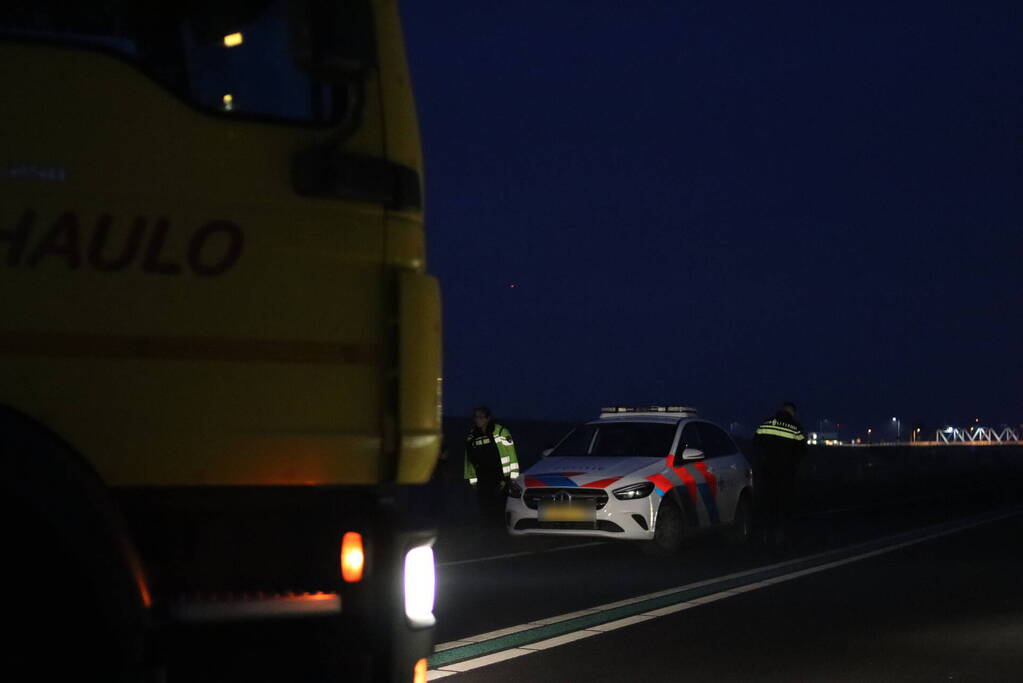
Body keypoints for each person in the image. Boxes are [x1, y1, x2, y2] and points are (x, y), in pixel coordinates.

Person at [753, 401, 807, 545]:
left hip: (766, 470)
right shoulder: (796, 429)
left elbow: (756, 443)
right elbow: (802, 450)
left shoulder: (766, 423)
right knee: (782, 503)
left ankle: (763, 532)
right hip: (785, 473)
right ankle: (779, 534)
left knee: (765, 501)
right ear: (792, 412)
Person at [463, 406, 519, 525]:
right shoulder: (472, 436)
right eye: (475, 417)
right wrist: (473, 480)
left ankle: (501, 536)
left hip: (500, 479)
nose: (478, 420)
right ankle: (487, 537)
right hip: (482, 479)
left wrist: (511, 478)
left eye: (481, 417)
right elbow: (468, 460)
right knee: (485, 511)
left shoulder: (501, 432)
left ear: (488, 418)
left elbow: (512, 455)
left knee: (500, 511)